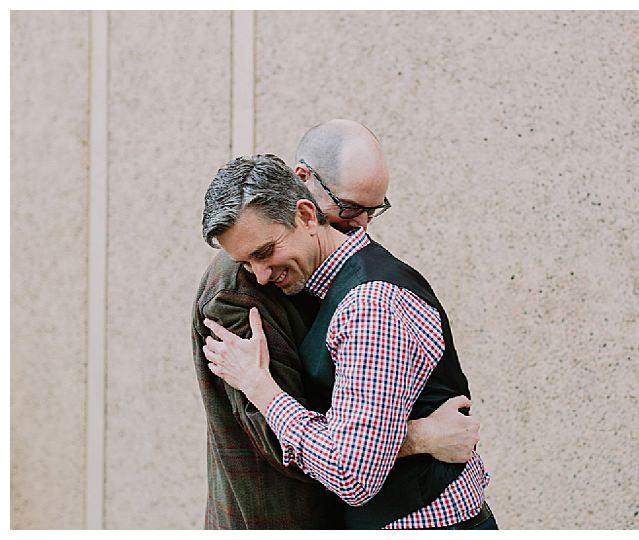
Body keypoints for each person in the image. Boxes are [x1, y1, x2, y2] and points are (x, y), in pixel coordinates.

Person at [191, 120, 480, 529]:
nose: (258, 275)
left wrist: (258, 384)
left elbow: (351, 471)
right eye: (348, 208)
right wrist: (420, 436)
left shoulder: (368, 303)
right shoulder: (278, 286)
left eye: (266, 251)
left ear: (306, 214)